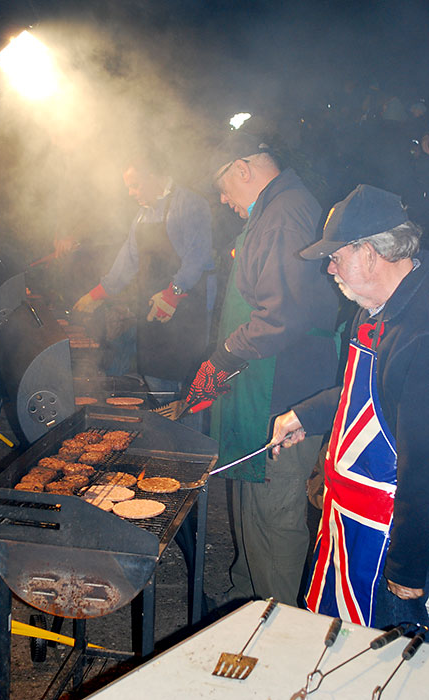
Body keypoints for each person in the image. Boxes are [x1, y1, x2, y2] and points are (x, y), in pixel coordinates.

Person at [186, 132, 339, 606]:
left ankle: (282, 623)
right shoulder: (273, 211)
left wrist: (223, 358)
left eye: (223, 187)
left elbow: (282, 315)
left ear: (242, 168)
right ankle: (249, 598)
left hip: (286, 388)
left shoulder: (284, 214)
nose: (223, 199)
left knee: (275, 511)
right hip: (261, 385)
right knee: (251, 497)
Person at [270, 184, 429, 629]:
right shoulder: (375, 309)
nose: (329, 268)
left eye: (336, 256)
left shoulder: (422, 332)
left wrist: (409, 568)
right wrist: (309, 415)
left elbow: (425, 465)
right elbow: (367, 396)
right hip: (351, 526)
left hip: (395, 544)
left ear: (371, 253)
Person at [73, 151, 215, 395]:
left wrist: (173, 293)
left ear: (153, 177)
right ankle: (167, 430)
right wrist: (97, 294)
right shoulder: (142, 215)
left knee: (188, 389)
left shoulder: (189, 204)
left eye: (135, 186)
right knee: (155, 379)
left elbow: (198, 257)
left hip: (187, 311)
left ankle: (185, 431)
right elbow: (127, 260)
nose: (131, 193)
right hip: (153, 311)